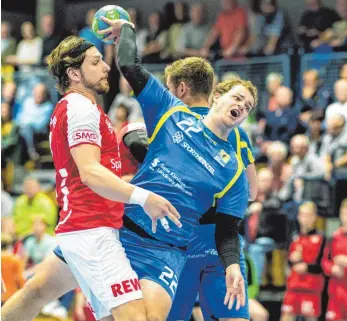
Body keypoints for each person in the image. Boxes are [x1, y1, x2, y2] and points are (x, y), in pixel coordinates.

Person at [1, 35, 181, 321]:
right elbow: (90, 172)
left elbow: (93, 170)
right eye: (96, 62)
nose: (106, 67)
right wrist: (144, 197)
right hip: (93, 232)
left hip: (81, 229)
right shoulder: (80, 107)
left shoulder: (73, 108)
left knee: (35, 293)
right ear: (74, 73)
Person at [97, 17, 257, 321]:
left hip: (173, 249)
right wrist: (127, 30)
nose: (242, 106)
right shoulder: (172, 114)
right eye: (237, 97)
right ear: (216, 97)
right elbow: (131, 66)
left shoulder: (233, 168)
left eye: (247, 106)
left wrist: (234, 265)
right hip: (125, 235)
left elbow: (228, 228)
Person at [280, 202, 325, 321]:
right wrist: (292, 259)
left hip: (311, 288)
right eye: (302, 215)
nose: (305, 218)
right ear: (298, 216)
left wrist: (307, 268)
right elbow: (289, 262)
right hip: (293, 287)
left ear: (314, 217)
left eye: (308, 215)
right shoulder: (294, 236)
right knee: (286, 317)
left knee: (311, 318)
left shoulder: (321, 238)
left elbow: (324, 265)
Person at [322, 198, 347, 321]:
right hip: (336, 291)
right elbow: (325, 261)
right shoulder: (334, 237)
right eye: (343, 213)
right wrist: (332, 268)